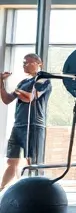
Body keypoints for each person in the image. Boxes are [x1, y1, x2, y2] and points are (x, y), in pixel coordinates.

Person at [0, 53, 51, 192]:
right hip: (18, 125)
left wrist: (18, 92)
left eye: (28, 63)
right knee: (12, 161)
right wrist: (1, 82)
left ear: (39, 63)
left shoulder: (43, 80)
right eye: (23, 63)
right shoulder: (23, 82)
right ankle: (2, 188)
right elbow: (6, 99)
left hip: (34, 124)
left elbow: (30, 98)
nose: (25, 65)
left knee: (33, 161)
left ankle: (37, 192)